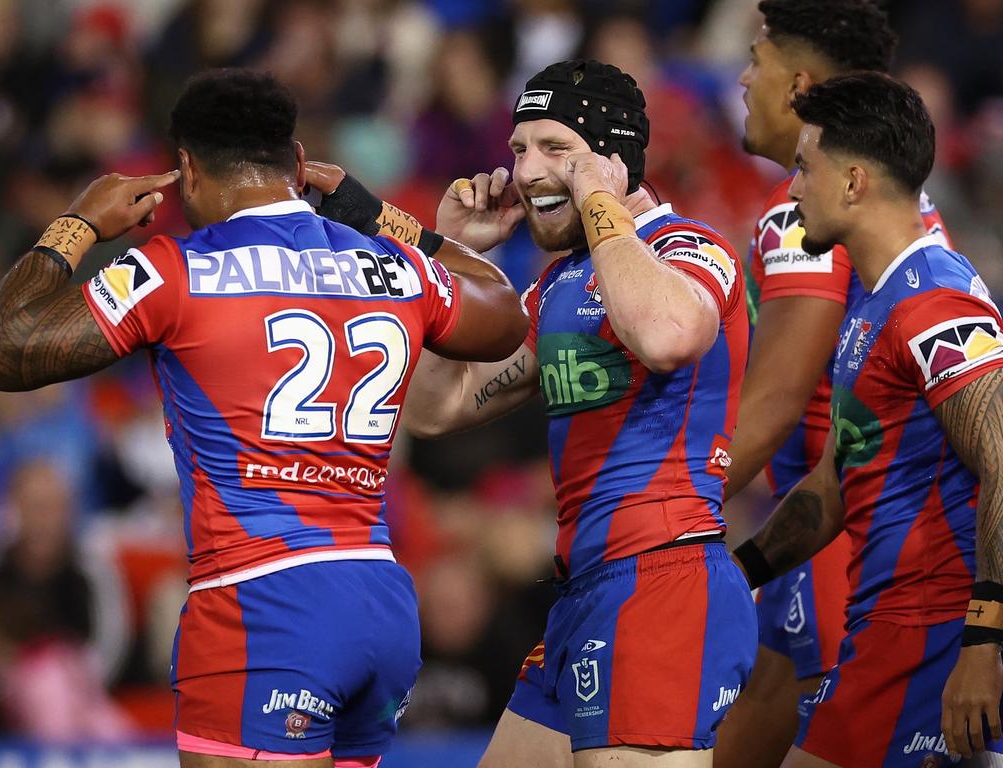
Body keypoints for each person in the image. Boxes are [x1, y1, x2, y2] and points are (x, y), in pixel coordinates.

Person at [0, 68, 528, 767]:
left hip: (260, 603)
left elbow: (1, 347)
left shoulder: (174, 269)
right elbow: (503, 310)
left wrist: (77, 223)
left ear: (186, 169)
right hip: (380, 602)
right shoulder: (391, 265)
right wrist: (376, 214)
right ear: (298, 165)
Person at [398, 59, 757, 767]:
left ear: (612, 160)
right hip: (586, 596)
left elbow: (665, 335)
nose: (527, 172)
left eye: (555, 149)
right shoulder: (559, 283)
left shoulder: (689, 248)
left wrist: (600, 206)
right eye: (518, 150)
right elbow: (434, 410)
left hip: (662, 585)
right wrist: (455, 262)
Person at [733, 71, 1003, 768]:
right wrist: (734, 575)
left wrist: (983, 643)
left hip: (929, 633)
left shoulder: (934, 303)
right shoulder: (872, 308)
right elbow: (830, 489)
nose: (791, 190)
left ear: (853, 182)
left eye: (804, 167)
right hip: (891, 628)